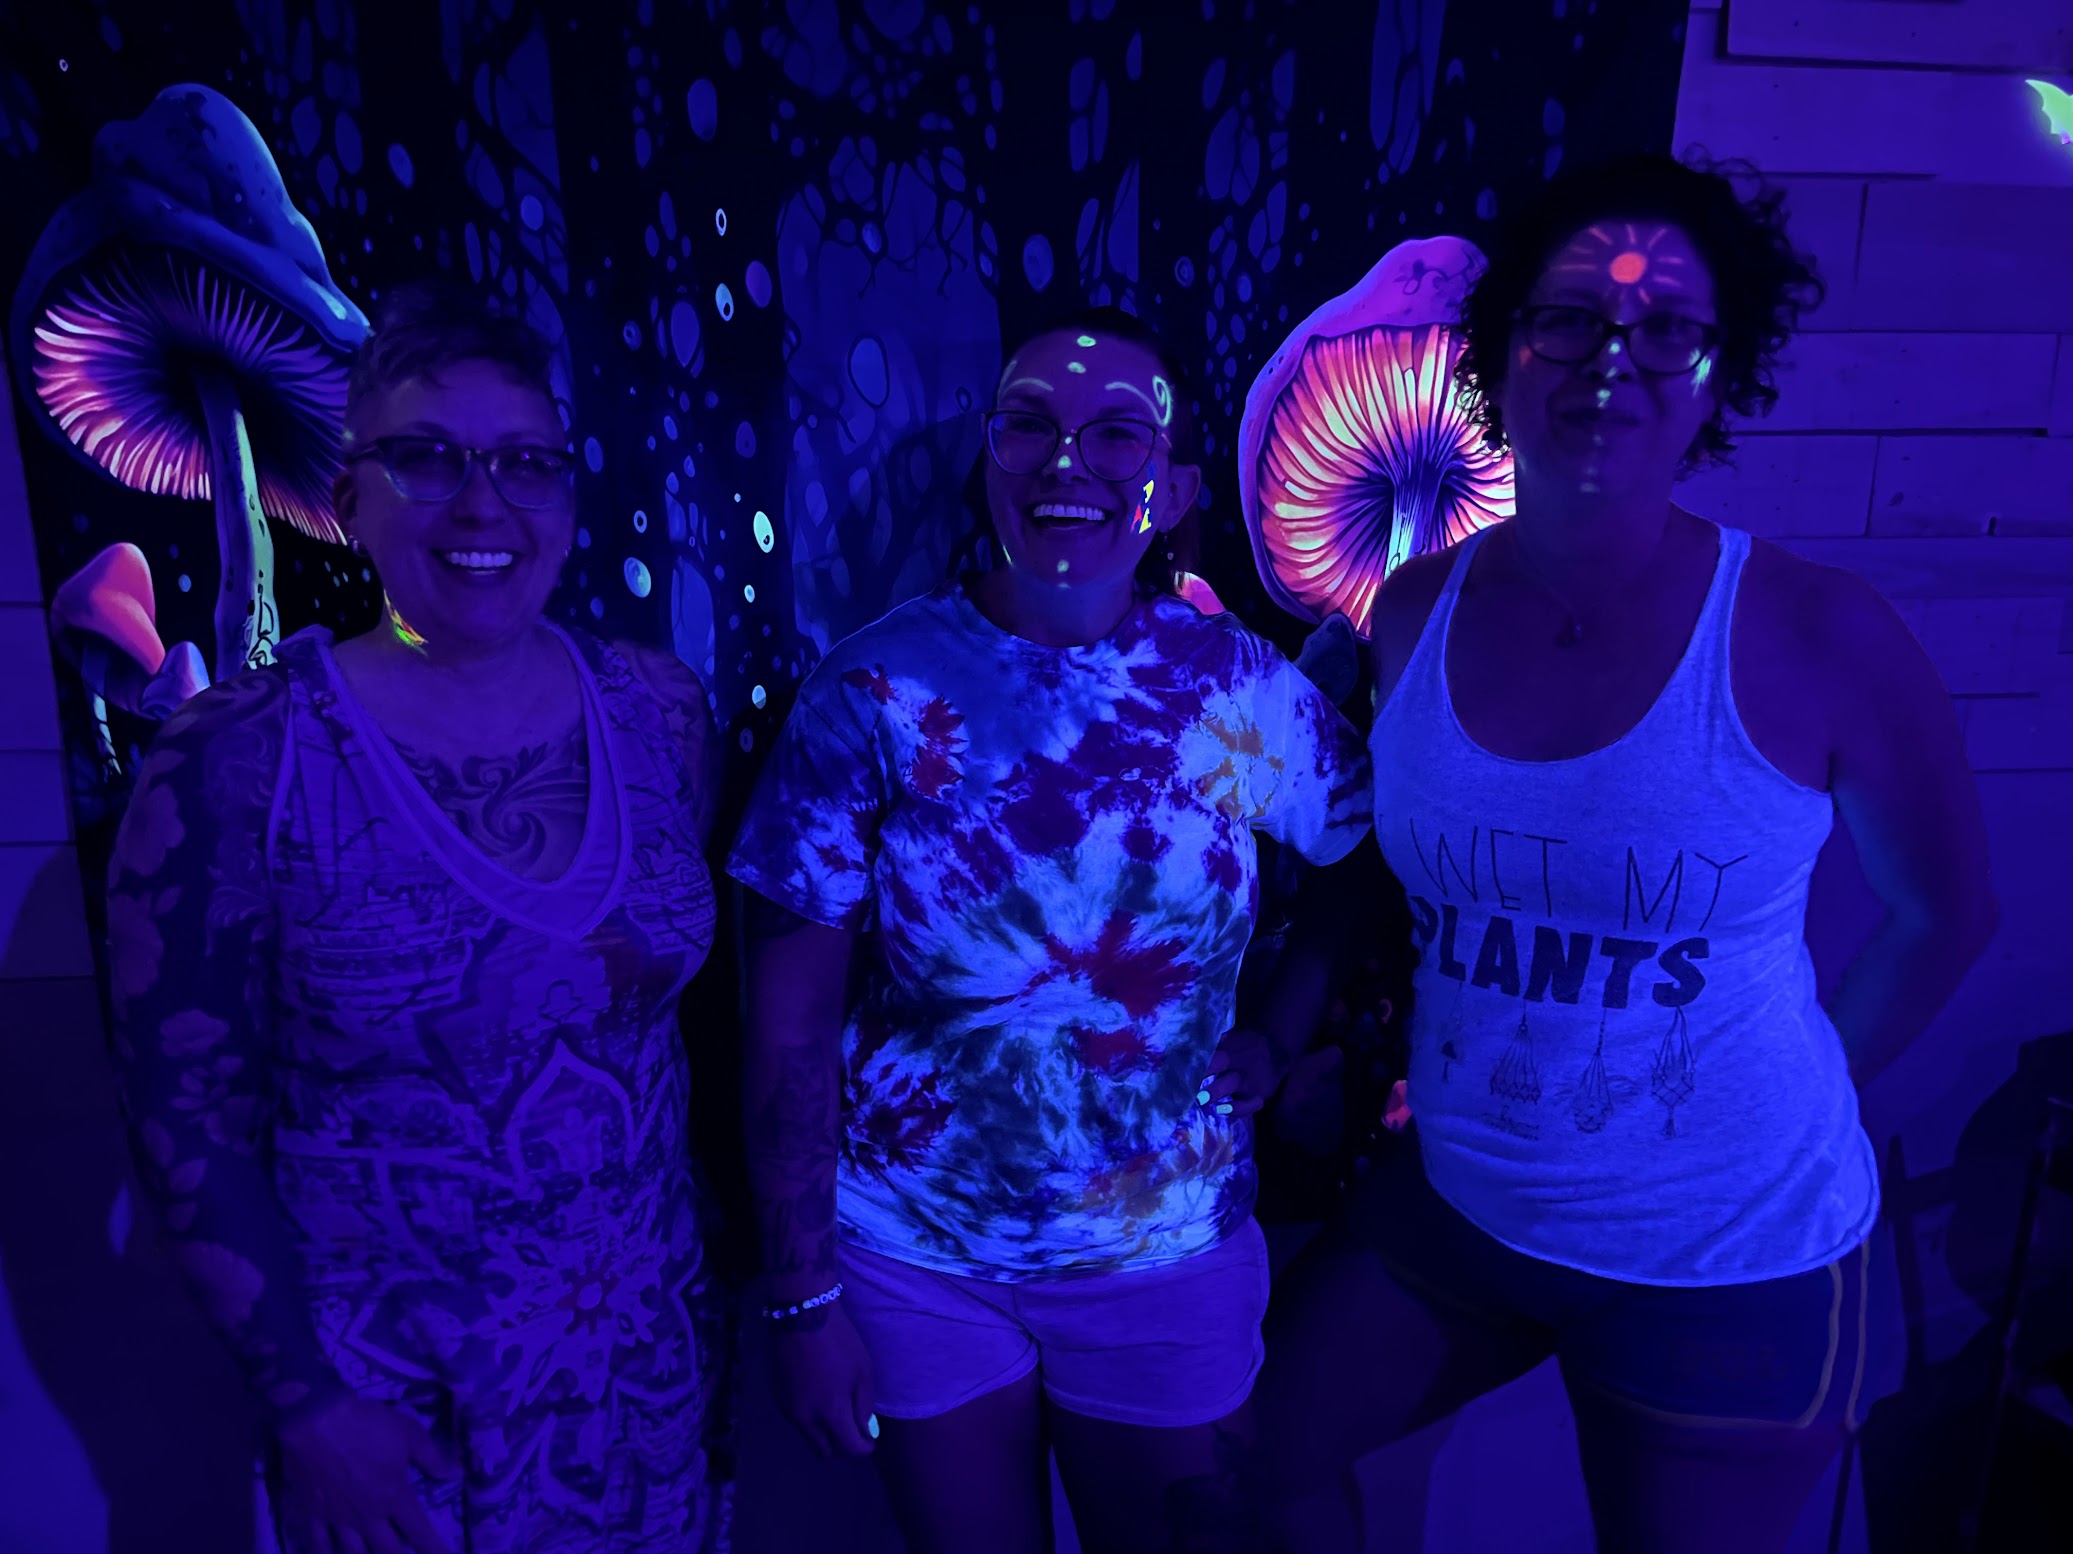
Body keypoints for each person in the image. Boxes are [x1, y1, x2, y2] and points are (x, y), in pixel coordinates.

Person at [1253, 153, 1998, 1553]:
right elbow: (1370, 856)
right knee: (1242, 1461)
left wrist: (1759, 1104)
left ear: (1720, 371)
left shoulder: (1815, 632)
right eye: (1571, 318)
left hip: (1726, 1253)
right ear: (1501, 353)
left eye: (1665, 329)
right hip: (1467, 1200)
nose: (1615, 356)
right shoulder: (1413, 608)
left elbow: (1944, 913)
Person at [727, 306, 1371, 1554]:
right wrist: (802, 1297)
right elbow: (789, 1019)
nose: (1066, 464)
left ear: (1176, 484)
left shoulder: (1235, 685)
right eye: (1029, 426)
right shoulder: (874, 688)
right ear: (988, 455)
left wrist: (1285, 1030)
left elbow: (1363, 858)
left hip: (1163, 1256)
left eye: (1116, 435)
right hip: (913, 1256)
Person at [105, 283, 731, 1554]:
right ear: (349, 497)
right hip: (403, 1415)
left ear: (565, 493)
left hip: (653, 1373)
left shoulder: (661, 712)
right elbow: (185, 1114)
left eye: (523, 462)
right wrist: (307, 1410)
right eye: (427, 458)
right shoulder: (235, 758)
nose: (481, 502)